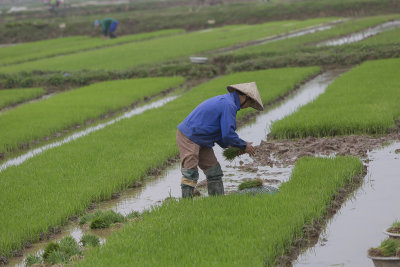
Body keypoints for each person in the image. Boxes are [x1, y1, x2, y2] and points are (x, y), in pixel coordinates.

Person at [176, 82, 264, 198]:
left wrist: (232, 147)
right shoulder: (229, 105)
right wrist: (244, 145)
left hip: (203, 138)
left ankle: (218, 202)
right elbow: (228, 134)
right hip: (190, 136)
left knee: (214, 172)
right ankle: (186, 206)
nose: (249, 106)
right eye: (250, 102)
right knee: (190, 172)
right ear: (244, 96)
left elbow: (220, 134)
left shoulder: (228, 102)